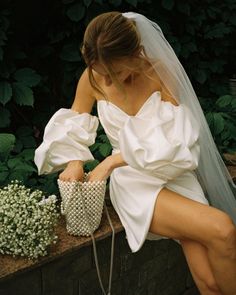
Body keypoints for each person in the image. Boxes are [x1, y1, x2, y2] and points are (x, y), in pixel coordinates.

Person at [35, 12, 236, 295]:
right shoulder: (92, 78)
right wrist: (75, 161)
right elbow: (74, 119)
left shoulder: (160, 72)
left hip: (173, 171)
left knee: (210, 281)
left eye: (114, 73)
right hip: (133, 182)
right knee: (223, 229)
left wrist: (110, 161)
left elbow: (177, 140)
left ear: (136, 53)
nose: (106, 82)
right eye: (100, 73)